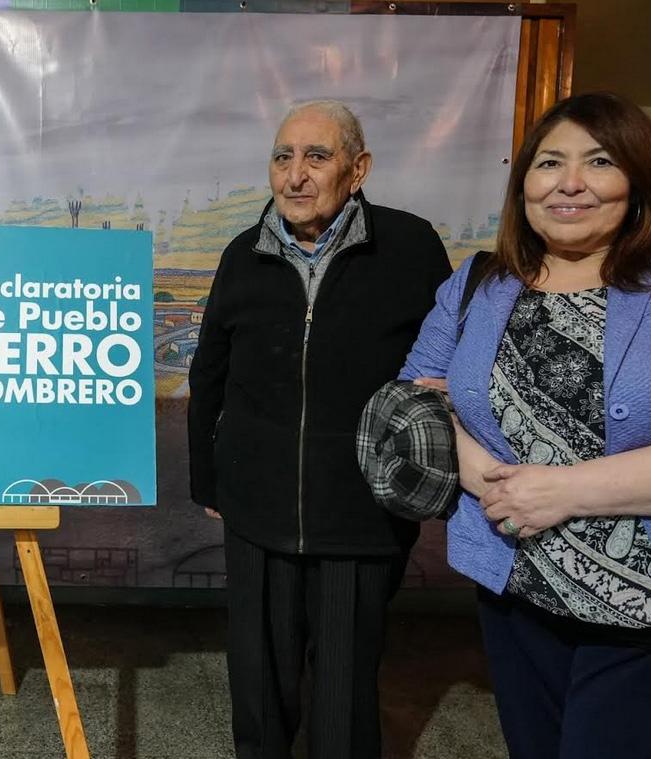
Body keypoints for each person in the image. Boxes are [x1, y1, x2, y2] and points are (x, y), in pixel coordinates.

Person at [401, 91, 651, 759]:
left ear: (640, 179)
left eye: (600, 161)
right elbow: (414, 396)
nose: (570, 182)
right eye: (550, 162)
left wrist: (561, 492)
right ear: (524, 182)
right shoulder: (479, 282)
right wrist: (488, 477)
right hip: (518, 595)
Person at [188, 100, 451, 759]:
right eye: (283, 157)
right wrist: (206, 475)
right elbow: (209, 371)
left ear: (358, 169)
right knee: (258, 676)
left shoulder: (410, 246)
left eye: (317, 156)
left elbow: (450, 356)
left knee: (345, 684)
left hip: (362, 510)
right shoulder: (243, 253)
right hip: (256, 501)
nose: (295, 175)